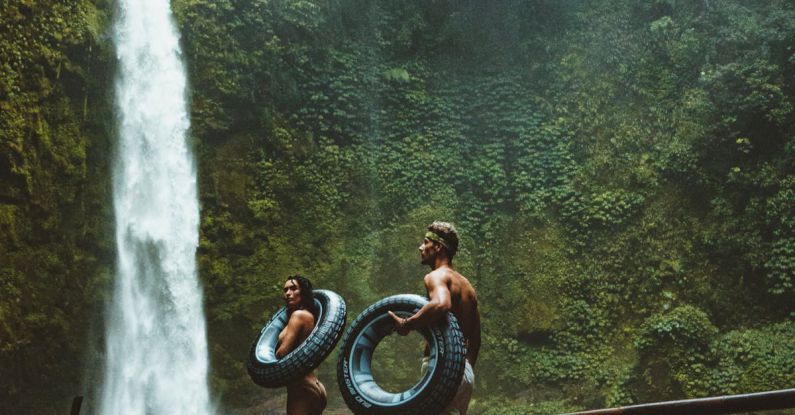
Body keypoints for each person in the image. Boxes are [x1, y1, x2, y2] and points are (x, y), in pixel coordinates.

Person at [388, 221, 481, 415]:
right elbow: (476, 339)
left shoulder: (436, 276)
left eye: (425, 242)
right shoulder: (467, 287)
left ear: (438, 247)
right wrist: (463, 369)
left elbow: (441, 304)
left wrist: (407, 324)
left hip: (442, 368)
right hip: (464, 371)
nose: (420, 247)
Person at [277, 275, 327, 415]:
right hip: (315, 385)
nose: (288, 293)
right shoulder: (309, 315)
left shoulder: (297, 316)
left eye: (293, 288)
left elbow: (282, 353)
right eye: (285, 290)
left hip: (300, 389)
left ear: (303, 292)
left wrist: (273, 356)